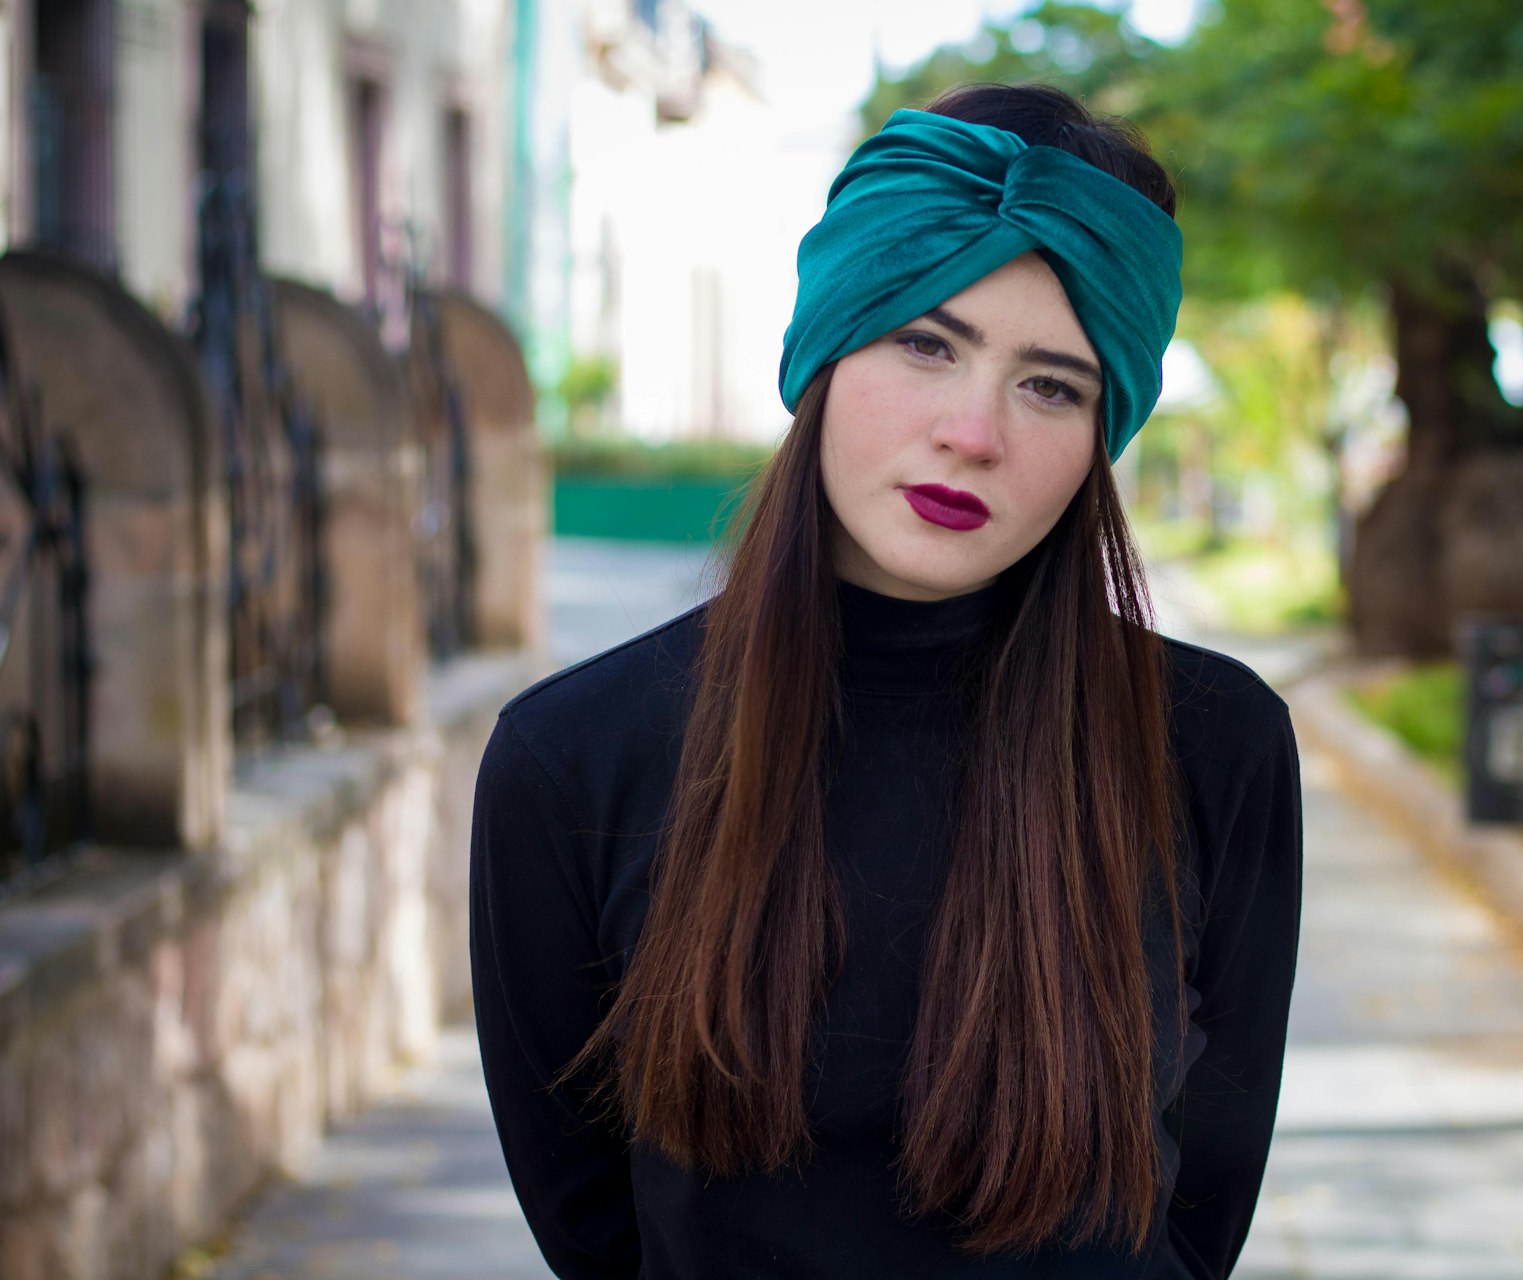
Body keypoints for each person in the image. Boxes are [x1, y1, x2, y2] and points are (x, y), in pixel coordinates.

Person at [470, 82, 1304, 1280]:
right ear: (826, 344)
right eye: (926, 342)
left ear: (1100, 431)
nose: (974, 430)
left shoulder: (1216, 742)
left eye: (1051, 384)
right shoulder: (572, 758)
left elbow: (1205, 1203)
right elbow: (594, 1224)